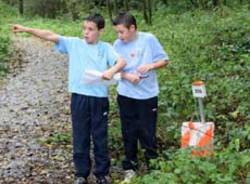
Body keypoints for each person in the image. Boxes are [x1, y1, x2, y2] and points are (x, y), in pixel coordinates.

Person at [12, 13, 126, 184]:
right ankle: (81, 174)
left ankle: (102, 173)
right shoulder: (74, 44)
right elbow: (49, 35)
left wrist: (111, 71)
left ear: (100, 30)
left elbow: (121, 62)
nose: (85, 32)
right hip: (79, 97)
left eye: (90, 29)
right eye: (84, 28)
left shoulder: (106, 48)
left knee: (100, 136)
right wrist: (26, 29)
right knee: (80, 135)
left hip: (99, 99)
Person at [112, 12, 169, 183]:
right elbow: (113, 69)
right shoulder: (117, 45)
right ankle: (130, 167)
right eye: (117, 32)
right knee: (128, 131)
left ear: (132, 28)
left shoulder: (148, 39)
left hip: (147, 95)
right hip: (126, 94)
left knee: (147, 131)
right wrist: (127, 76)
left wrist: (151, 65)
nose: (119, 36)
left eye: (122, 32)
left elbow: (164, 60)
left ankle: (153, 166)